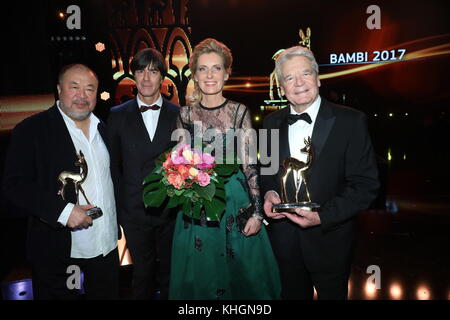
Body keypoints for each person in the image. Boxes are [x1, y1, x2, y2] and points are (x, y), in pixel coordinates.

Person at [260, 46, 380, 300]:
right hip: (284, 243)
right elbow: (267, 173)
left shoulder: (351, 121)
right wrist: (270, 192)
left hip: (331, 242)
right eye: (289, 78)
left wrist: (322, 217)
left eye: (305, 74)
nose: (299, 83)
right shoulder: (270, 123)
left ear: (318, 78)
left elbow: (366, 185)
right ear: (281, 87)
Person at [169, 38, 281, 299]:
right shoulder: (184, 115)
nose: (210, 75)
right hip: (196, 205)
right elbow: (179, 163)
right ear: (195, 74)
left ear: (227, 73)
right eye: (203, 69)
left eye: (216, 68)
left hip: (235, 203)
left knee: (244, 279)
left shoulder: (239, 111)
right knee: (202, 278)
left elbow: (250, 164)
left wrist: (256, 213)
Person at [2, 64, 119, 300]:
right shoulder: (32, 130)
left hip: (106, 247)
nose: (82, 95)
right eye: (74, 87)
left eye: (89, 89)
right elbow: (14, 186)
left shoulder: (105, 129)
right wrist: (63, 212)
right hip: (59, 251)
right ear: (59, 89)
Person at [107, 48, 180, 299]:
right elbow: (111, 168)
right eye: (140, 71)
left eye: (153, 71)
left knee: (171, 274)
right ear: (133, 77)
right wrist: (118, 209)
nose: (146, 78)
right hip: (134, 211)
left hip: (171, 210)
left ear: (163, 77)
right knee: (143, 274)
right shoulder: (116, 116)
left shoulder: (179, 114)